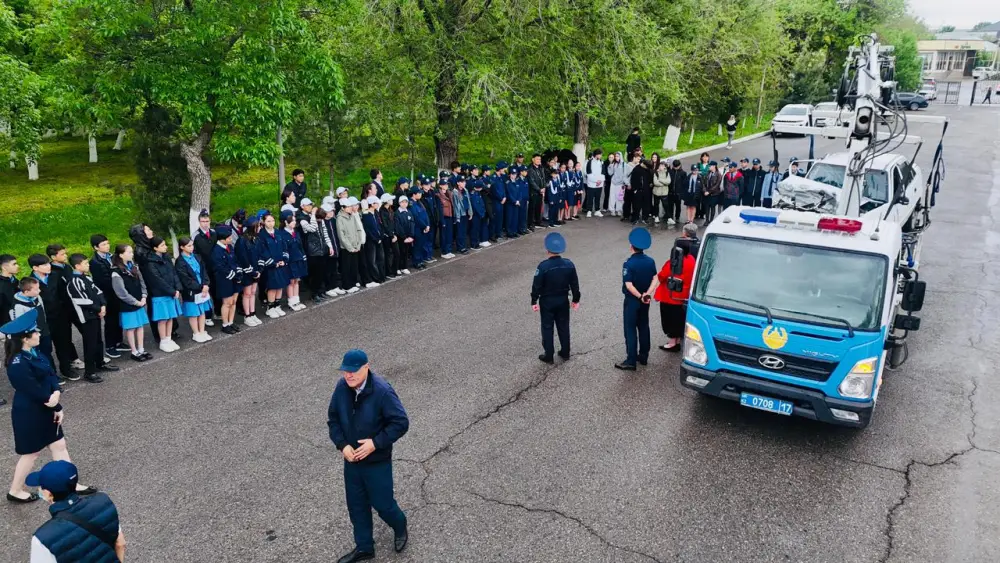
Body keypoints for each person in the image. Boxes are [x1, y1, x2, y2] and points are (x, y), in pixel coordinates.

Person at [3, 309, 98, 504]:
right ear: (25, 338)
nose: (39, 334)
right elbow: (30, 388)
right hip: (30, 412)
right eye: (35, 332)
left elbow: (50, 374)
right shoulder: (18, 363)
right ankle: (15, 490)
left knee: (59, 445)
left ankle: (71, 483)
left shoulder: (34, 352)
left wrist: (56, 395)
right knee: (31, 453)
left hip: (46, 406)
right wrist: (52, 402)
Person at [327, 349, 409, 563]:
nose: (349, 375)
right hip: (352, 461)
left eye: (353, 371)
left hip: (376, 462)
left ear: (366, 367)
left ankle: (400, 526)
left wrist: (375, 443)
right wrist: (342, 445)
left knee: (383, 505)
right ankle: (364, 547)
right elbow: (333, 419)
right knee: (356, 505)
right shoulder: (341, 388)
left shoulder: (382, 391)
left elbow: (401, 423)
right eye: (345, 371)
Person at [27, 460, 125, 562]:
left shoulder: (42, 538)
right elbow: (120, 544)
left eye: (40, 487)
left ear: (48, 494)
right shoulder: (103, 502)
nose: (39, 489)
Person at [65, 255, 117, 383]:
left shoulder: (87, 278)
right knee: (90, 344)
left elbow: (98, 292)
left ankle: (100, 363)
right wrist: (98, 309)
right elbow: (81, 300)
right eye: (85, 263)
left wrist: (103, 305)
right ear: (77, 266)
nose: (88, 265)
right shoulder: (74, 281)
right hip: (87, 317)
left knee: (99, 340)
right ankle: (89, 372)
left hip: (96, 314)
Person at [531, 232, 581, 364]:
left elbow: (536, 285)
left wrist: (534, 300)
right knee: (563, 325)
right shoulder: (569, 264)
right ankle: (565, 351)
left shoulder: (543, 266)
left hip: (547, 300)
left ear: (547, 250)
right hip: (563, 299)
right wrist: (576, 299)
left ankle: (549, 354)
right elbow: (575, 284)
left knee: (547, 327)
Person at [29, 255, 79, 381]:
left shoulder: (55, 276)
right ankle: (52, 374)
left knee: (64, 344)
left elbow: (64, 295)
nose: (49, 266)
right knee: (46, 348)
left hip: (61, 317)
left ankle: (66, 369)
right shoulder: (30, 283)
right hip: (44, 321)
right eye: (44, 265)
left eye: (48, 263)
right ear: (35, 268)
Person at [615, 228, 657, 371]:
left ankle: (631, 360)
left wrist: (639, 295)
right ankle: (644, 355)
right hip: (645, 299)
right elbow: (655, 278)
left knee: (630, 329)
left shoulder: (629, 264)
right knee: (644, 326)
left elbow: (629, 284)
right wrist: (647, 294)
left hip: (633, 300)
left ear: (631, 246)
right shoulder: (650, 261)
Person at [654, 224, 698, 351]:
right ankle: (677, 340)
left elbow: (662, 275)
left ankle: (673, 342)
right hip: (683, 296)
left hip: (671, 296)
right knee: (679, 319)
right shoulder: (691, 259)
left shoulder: (675, 262)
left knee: (670, 320)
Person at [45, 246, 84, 374]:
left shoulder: (66, 267)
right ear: (53, 257)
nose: (66, 256)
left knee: (85, 330)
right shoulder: (51, 272)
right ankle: (70, 362)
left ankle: (81, 358)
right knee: (64, 338)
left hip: (74, 306)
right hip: (62, 310)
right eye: (62, 254)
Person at [111, 244, 151, 362]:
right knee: (131, 328)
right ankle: (134, 351)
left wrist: (144, 296)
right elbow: (121, 292)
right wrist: (135, 302)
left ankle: (141, 348)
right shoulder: (116, 271)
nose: (132, 254)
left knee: (140, 326)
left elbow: (142, 283)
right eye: (129, 252)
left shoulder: (134, 267)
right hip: (128, 305)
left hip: (140, 301)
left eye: (131, 252)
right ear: (121, 255)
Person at [88, 236, 126, 360]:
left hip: (117, 293)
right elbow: (103, 280)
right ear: (96, 247)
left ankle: (119, 341)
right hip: (107, 294)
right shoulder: (95, 262)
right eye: (103, 244)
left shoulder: (112, 256)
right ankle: (110, 346)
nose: (107, 246)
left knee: (118, 317)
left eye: (107, 243)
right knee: (110, 321)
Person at [146, 237, 184, 353]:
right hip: (160, 294)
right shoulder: (151, 262)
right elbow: (157, 280)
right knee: (163, 319)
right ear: (155, 248)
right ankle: (163, 340)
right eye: (162, 245)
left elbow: (174, 274)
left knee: (170, 317)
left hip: (171, 292)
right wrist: (172, 291)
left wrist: (178, 288)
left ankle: (169, 338)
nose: (165, 247)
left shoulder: (166, 258)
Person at [175, 236, 214, 343]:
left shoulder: (197, 257)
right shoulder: (180, 262)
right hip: (191, 291)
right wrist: (201, 287)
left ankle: (202, 331)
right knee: (194, 313)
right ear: (182, 247)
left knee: (202, 311)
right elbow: (185, 279)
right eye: (189, 246)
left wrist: (206, 284)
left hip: (203, 288)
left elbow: (203, 271)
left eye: (192, 245)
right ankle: (196, 333)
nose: (192, 248)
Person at [256, 212, 290, 318]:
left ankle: (277, 305)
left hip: (280, 263)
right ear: (263, 222)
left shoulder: (278, 233)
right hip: (270, 266)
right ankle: (270, 308)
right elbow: (262, 251)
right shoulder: (261, 235)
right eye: (268, 221)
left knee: (280, 285)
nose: (271, 223)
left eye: (273, 221)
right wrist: (272, 263)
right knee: (272, 287)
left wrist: (284, 260)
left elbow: (284, 247)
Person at [212, 225, 244, 333]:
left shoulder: (229, 247)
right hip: (225, 280)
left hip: (234, 278)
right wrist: (234, 275)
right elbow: (220, 267)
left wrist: (238, 272)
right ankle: (225, 324)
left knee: (234, 301)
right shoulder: (217, 250)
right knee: (227, 303)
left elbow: (235, 261)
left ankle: (231, 322)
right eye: (229, 238)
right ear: (222, 239)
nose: (231, 239)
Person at [234, 215, 263, 325]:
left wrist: (259, 269)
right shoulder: (242, 241)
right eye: (258, 226)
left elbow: (260, 254)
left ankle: (253, 313)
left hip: (256, 270)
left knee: (253, 292)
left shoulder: (256, 238)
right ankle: (247, 315)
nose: (260, 227)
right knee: (247, 293)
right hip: (247, 272)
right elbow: (242, 258)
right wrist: (252, 271)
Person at [280, 211, 308, 310]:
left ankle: (297, 300)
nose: (294, 222)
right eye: (292, 221)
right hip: (290, 261)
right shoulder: (282, 234)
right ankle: (291, 301)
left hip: (298, 259)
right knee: (291, 281)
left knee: (297, 280)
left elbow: (300, 246)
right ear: (286, 222)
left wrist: (303, 256)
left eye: (294, 220)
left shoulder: (295, 233)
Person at [336, 198, 364, 293]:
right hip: (346, 248)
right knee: (346, 267)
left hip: (355, 246)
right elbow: (341, 235)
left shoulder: (352, 216)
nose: (350, 208)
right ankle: (346, 286)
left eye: (350, 206)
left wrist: (358, 244)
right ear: (343, 208)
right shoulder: (339, 218)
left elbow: (358, 230)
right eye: (347, 207)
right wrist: (350, 247)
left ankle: (352, 283)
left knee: (354, 266)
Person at [527, 154, 546, 229]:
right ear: (533, 159)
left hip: (540, 191)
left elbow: (543, 178)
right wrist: (539, 189)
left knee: (539, 207)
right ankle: (530, 223)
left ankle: (538, 221)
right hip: (533, 192)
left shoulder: (541, 168)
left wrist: (543, 187)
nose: (539, 160)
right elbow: (531, 181)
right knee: (532, 208)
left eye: (540, 159)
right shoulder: (530, 169)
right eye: (537, 159)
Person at [584, 150, 605, 218]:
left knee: (598, 198)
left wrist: (600, 180)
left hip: (600, 184)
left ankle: (597, 210)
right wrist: (596, 181)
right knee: (590, 198)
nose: (601, 156)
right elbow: (589, 173)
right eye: (600, 154)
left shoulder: (601, 162)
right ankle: (589, 211)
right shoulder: (589, 162)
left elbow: (603, 173)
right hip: (591, 184)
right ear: (596, 155)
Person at [651, 160, 671, 225]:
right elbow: (655, 182)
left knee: (666, 205)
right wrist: (664, 183)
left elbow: (668, 181)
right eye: (660, 165)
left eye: (662, 165)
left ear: (665, 167)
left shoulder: (667, 173)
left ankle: (669, 218)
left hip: (664, 192)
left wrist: (660, 180)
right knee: (656, 205)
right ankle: (656, 216)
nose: (661, 167)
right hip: (657, 192)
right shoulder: (656, 173)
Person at [608, 152, 626, 217]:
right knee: (612, 196)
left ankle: (619, 210)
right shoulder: (614, 164)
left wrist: (624, 182)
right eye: (616, 156)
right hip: (613, 182)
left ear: (621, 156)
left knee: (620, 197)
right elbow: (610, 173)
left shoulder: (624, 164)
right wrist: (610, 166)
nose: (616, 157)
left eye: (618, 156)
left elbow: (625, 174)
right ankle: (612, 210)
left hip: (621, 183)